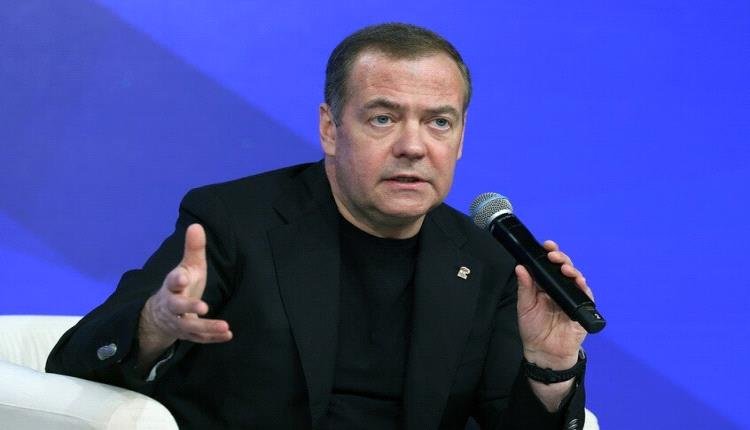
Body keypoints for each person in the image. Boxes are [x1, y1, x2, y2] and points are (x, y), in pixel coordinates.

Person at [47, 23, 593, 429]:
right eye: (383, 118)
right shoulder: (234, 222)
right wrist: (156, 325)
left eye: (438, 122)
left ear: (461, 137)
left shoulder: (488, 262)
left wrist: (550, 367)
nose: (413, 145)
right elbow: (73, 363)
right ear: (330, 128)